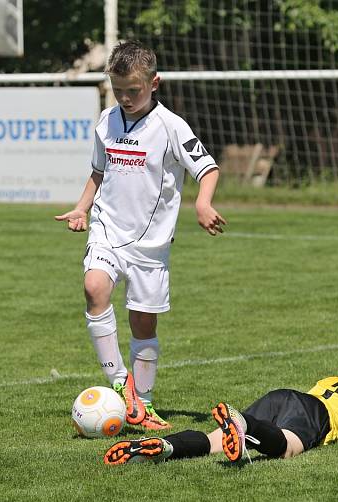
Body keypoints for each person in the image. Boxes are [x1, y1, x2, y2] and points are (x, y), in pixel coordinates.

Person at [55, 40, 225, 431]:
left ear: (154, 83)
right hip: (108, 230)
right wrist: (82, 207)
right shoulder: (106, 120)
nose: (126, 98)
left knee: (142, 326)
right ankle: (120, 382)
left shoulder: (171, 126)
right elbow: (99, 172)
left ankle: (143, 404)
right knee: (94, 287)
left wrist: (203, 203)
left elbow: (207, 168)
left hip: (150, 246)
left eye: (134, 90)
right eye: (119, 90)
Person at [104, 360, 338, 465]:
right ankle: (244, 423)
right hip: (317, 414)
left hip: (286, 395)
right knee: (287, 448)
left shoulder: (335, 380)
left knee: (213, 443)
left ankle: (167, 447)